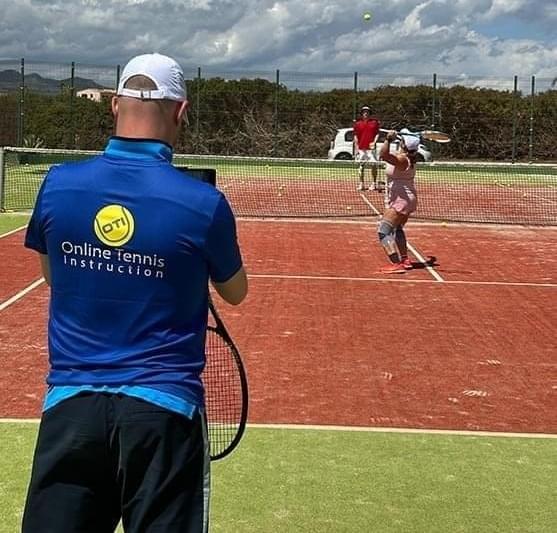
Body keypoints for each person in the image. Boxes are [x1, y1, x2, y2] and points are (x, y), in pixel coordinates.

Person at [22, 52, 248, 533]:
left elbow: (53, 278)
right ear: (181, 111)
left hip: (71, 407)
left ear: (114, 105)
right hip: (164, 411)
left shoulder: (57, 184)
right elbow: (235, 292)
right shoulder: (204, 203)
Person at [376, 129, 420, 273]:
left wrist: (388, 139)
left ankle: (396, 264)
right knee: (398, 228)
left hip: (401, 200)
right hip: (406, 198)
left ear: (403, 145)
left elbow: (383, 155)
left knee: (383, 231)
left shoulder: (402, 160)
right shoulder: (409, 157)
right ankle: (405, 260)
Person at [353, 105, 381, 191]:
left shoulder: (374, 122)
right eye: (364, 112)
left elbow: (377, 134)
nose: (365, 113)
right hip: (361, 148)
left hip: (371, 149)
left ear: (369, 113)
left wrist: (374, 142)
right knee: (361, 166)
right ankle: (361, 184)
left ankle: (374, 184)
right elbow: (355, 136)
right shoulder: (357, 124)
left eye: (367, 112)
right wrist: (356, 148)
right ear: (362, 113)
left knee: (373, 166)